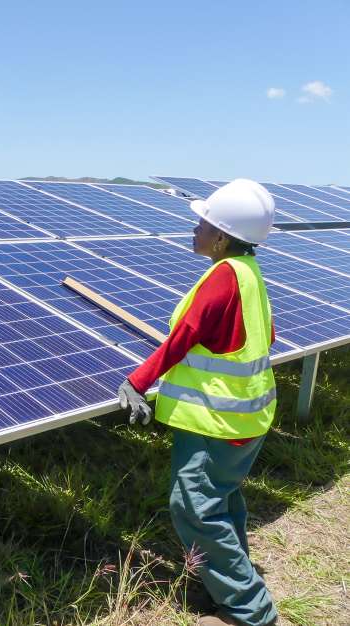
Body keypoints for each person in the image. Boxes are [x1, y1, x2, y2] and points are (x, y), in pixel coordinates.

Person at [117, 179, 278, 626]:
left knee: (195, 509)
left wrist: (138, 380)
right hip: (248, 418)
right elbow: (266, 336)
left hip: (215, 422)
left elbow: (184, 337)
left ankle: (251, 614)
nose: (195, 230)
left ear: (221, 237)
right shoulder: (250, 274)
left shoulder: (223, 278)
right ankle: (220, 585)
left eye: (203, 224)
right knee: (222, 503)